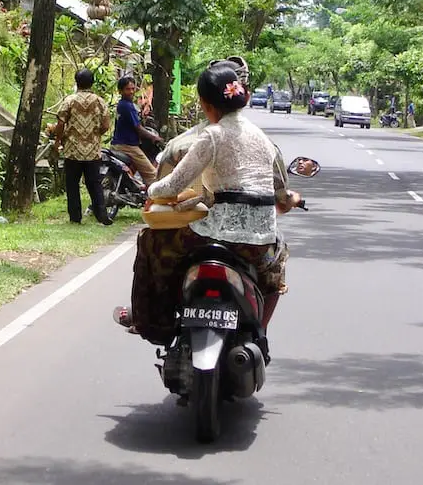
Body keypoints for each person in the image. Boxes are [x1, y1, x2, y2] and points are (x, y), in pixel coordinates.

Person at [118, 60, 293, 347]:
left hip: (216, 234)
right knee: (277, 268)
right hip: (260, 240)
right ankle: (260, 334)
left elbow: (174, 184)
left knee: (150, 241)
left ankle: (150, 320)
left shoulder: (210, 135)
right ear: (243, 96)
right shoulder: (263, 139)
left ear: (204, 103)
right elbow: (273, 193)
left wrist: (150, 189)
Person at [55, 68, 113, 225]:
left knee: (72, 184)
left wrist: (59, 140)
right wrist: (96, 134)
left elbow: (60, 122)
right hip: (93, 150)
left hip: (72, 150)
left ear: (76, 82)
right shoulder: (100, 102)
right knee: (94, 183)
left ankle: (75, 217)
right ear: (92, 82)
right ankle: (102, 215)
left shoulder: (69, 101)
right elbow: (106, 124)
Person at [111, 76, 163, 186]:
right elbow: (138, 128)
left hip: (118, 144)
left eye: (133, 89)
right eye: (127, 89)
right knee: (152, 174)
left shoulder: (122, 105)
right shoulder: (128, 106)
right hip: (128, 146)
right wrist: (154, 137)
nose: (131, 92)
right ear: (120, 91)